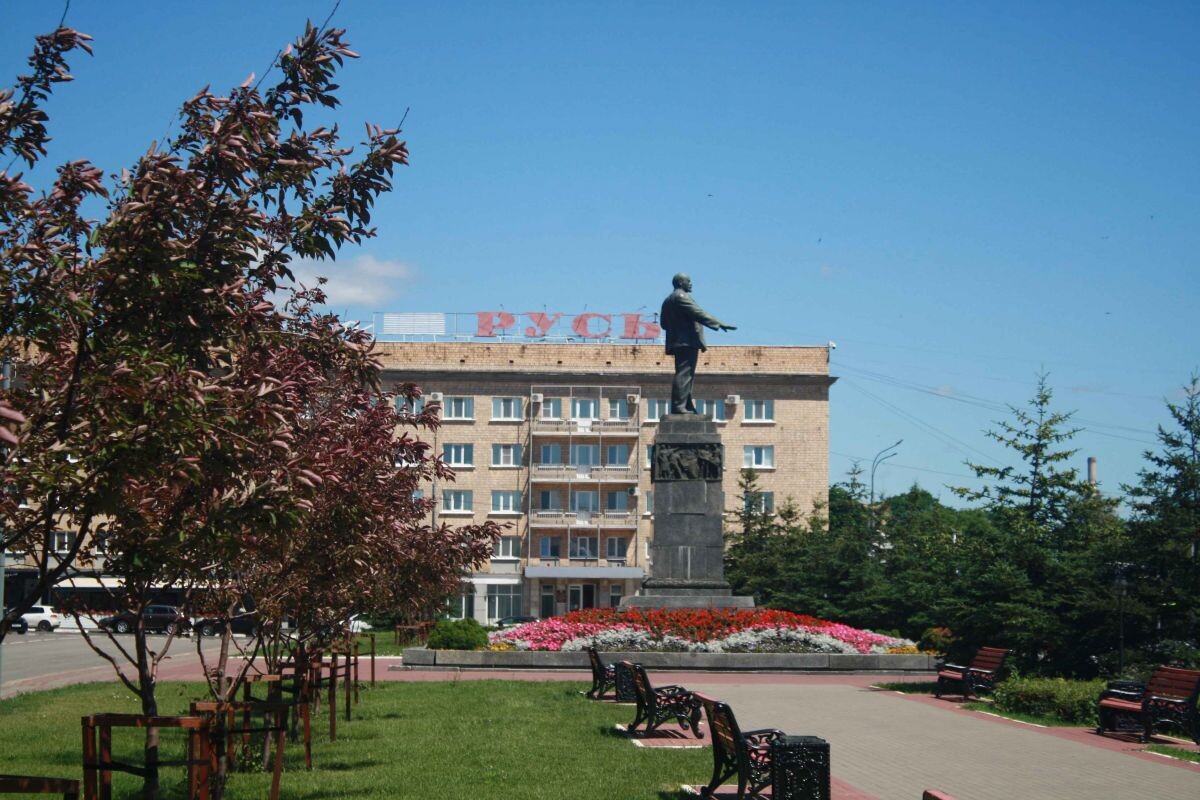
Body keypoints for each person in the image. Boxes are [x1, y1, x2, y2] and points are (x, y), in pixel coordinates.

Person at [659, 273, 736, 414]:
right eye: (688, 281)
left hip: (679, 341)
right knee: (684, 373)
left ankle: (686, 405)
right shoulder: (680, 297)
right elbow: (698, 313)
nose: (691, 283)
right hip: (686, 341)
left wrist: (676, 326)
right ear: (680, 283)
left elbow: (663, 323)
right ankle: (679, 406)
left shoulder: (667, 300)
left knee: (687, 374)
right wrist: (719, 323)